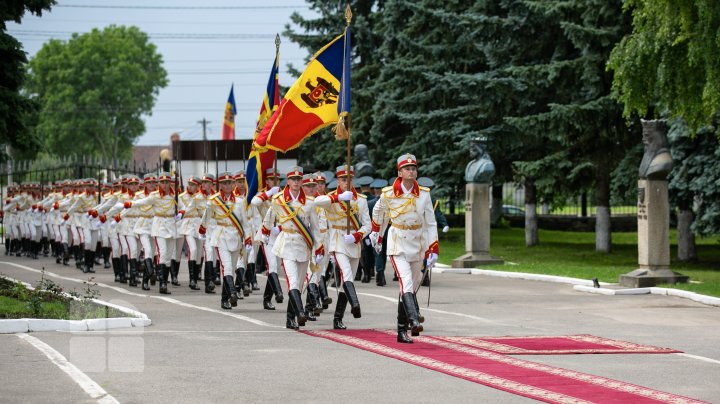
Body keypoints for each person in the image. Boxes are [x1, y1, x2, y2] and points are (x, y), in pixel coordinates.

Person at [371, 153, 439, 343]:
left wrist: (433, 248)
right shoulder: (388, 193)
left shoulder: (424, 194)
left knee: (412, 286)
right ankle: (412, 321)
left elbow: (431, 223)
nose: (411, 171)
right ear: (399, 172)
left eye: (413, 168)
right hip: (398, 241)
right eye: (407, 168)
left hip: (417, 243)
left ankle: (403, 328)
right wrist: (377, 232)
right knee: (406, 282)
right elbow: (379, 211)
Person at [261, 166, 323, 330]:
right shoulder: (278, 199)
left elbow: (315, 228)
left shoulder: (310, 203)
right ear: (287, 181)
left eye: (298, 179)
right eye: (293, 179)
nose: (296, 182)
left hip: (304, 246)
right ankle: (300, 313)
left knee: (300, 284)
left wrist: (319, 248)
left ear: (302, 182)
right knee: (293, 281)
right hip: (287, 243)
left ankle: (290, 319)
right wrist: (266, 232)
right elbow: (269, 218)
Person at [315, 165, 371, 329]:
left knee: (348, 281)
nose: (346, 182)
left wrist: (357, 235)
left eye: (349, 179)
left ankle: (337, 318)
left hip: (353, 241)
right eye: (343, 179)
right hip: (337, 240)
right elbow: (317, 202)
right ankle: (355, 304)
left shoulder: (360, 199)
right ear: (338, 180)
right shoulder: (331, 197)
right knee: (346, 274)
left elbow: (367, 225)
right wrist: (337, 198)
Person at [198, 172, 252, 309]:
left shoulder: (240, 202)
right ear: (220, 185)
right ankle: (233, 292)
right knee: (226, 267)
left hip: (235, 237)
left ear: (233, 184)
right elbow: (206, 217)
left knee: (232, 269)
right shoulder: (214, 201)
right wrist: (202, 230)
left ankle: (225, 299)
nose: (227, 186)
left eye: (230, 183)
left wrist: (248, 238)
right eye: (224, 183)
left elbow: (245, 223)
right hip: (221, 236)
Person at [251, 168, 284, 310]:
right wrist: (269, 193)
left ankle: (267, 299)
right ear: (267, 181)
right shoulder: (263, 195)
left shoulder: (284, 195)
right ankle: (278, 293)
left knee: (275, 266)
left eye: (276, 179)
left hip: (280, 234)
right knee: (272, 266)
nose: (274, 182)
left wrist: (281, 228)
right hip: (267, 235)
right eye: (271, 179)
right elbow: (254, 202)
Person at [368, 178, 388, 286]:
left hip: (374, 232)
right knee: (382, 254)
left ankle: (379, 274)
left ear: (375, 190)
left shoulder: (370, 203)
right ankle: (381, 273)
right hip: (385, 232)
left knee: (377, 254)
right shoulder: (388, 201)